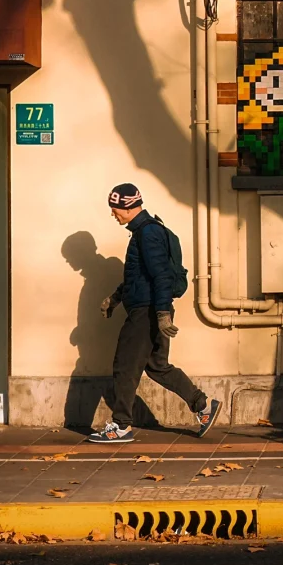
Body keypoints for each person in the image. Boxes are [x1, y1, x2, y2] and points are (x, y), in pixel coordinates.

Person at [88, 183, 220, 444]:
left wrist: (161, 313)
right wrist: (115, 298)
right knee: (158, 367)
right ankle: (203, 406)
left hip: (147, 312)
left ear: (127, 206)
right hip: (150, 308)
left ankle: (121, 425)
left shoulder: (147, 234)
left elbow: (161, 276)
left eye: (114, 209)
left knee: (125, 366)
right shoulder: (143, 231)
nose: (113, 214)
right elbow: (140, 277)